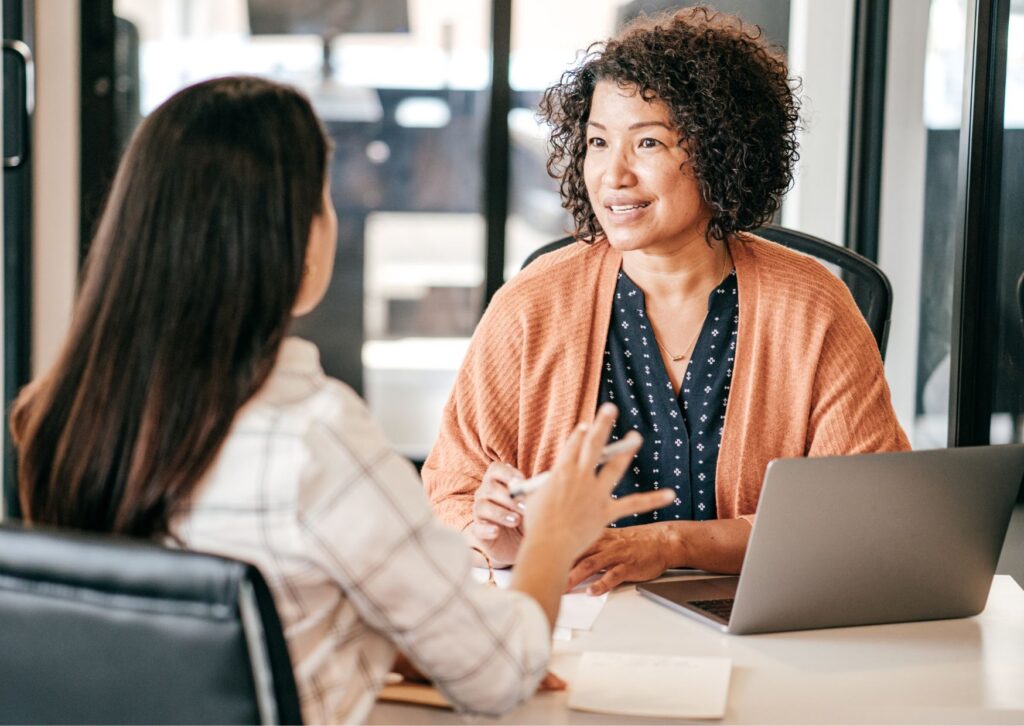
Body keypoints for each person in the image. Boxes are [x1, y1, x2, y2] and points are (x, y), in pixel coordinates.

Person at [9, 76, 672, 723]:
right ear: (293, 242)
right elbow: (500, 674)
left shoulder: (60, 416)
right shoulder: (315, 438)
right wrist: (552, 538)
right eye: (323, 200)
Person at [423, 7, 909, 596]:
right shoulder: (531, 304)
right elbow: (452, 489)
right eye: (598, 142)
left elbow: (860, 513)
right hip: (572, 616)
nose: (613, 174)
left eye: (647, 141)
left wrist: (672, 544)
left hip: (755, 620)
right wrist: (491, 534)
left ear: (719, 150)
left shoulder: (812, 304)